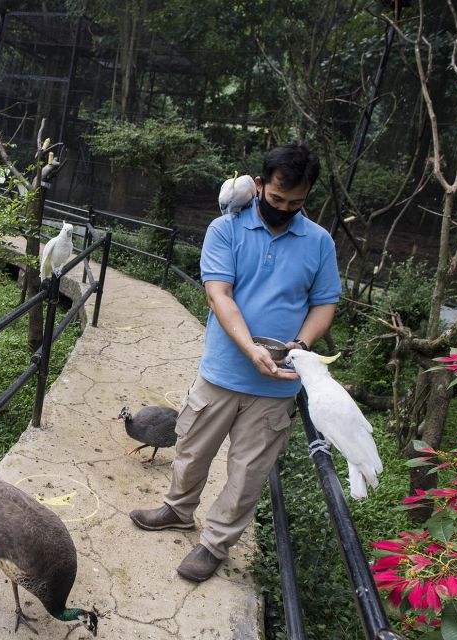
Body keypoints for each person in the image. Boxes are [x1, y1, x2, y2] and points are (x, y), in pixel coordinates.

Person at [130, 142, 341, 582]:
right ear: (259, 185)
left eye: (296, 203)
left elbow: (324, 305)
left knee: (248, 472)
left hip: (278, 383)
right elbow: (218, 294)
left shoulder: (319, 242)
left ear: (307, 197)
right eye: (277, 199)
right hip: (223, 369)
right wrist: (251, 349)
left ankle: (215, 543)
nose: (284, 208)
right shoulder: (225, 229)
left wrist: (301, 344)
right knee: (191, 448)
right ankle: (177, 509)